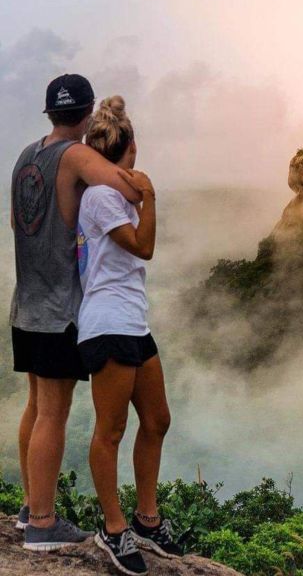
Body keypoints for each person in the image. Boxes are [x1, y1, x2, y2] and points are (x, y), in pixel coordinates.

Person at [11, 74, 141, 551]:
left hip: (25, 302)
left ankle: (30, 507)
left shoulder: (27, 156)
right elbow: (127, 188)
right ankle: (43, 523)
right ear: (86, 116)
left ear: (49, 113)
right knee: (54, 415)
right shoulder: (75, 154)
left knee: (35, 407)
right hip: (59, 310)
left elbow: (16, 222)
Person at [76, 96, 180, 576]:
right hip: (106, 322)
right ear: (131, 147)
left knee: (157, 420)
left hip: (133, 321)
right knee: (111, 430)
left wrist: (137, 195)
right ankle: (113, 529)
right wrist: (150, 196)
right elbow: (144, 247)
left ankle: (146, 518)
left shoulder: (113, 192)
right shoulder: (100, 197)